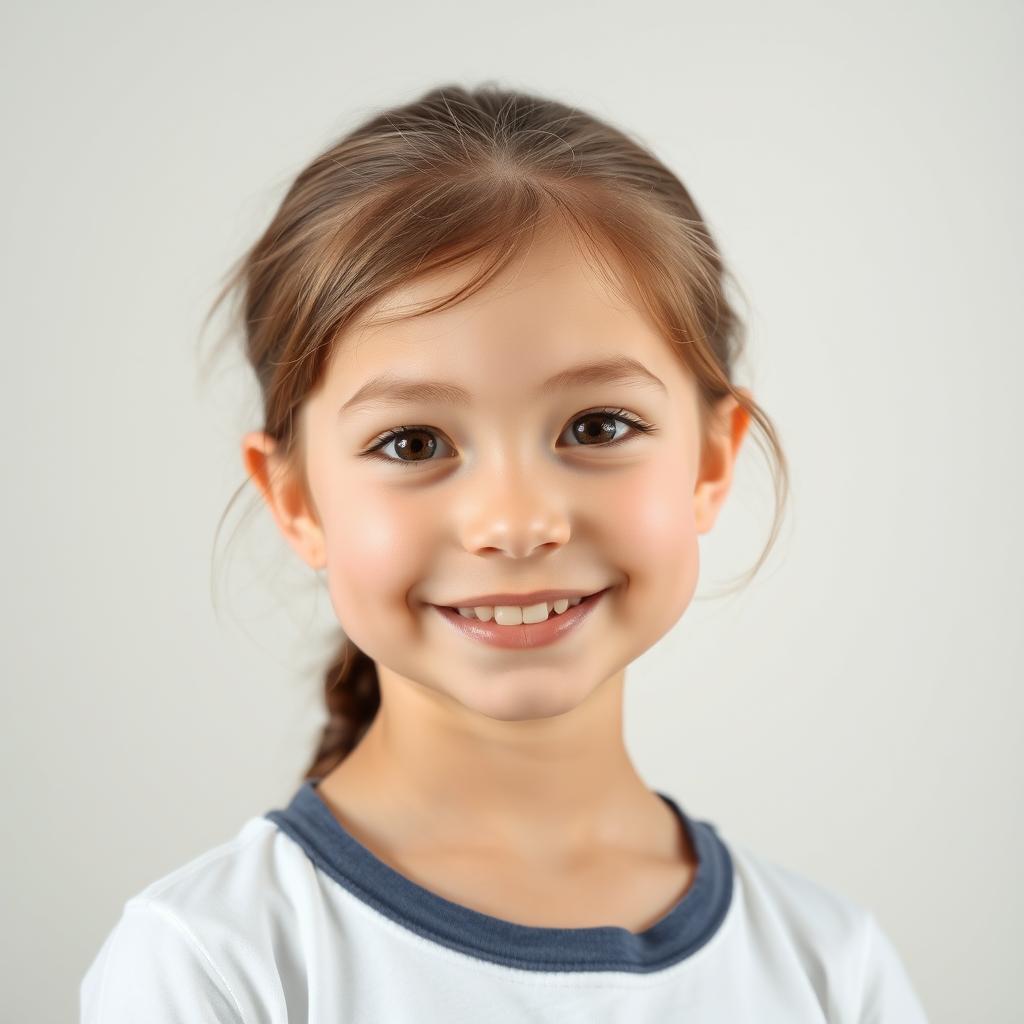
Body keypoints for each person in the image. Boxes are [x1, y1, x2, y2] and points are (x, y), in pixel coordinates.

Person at [80, 83, 930, 1022]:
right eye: (413, 443)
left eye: (598, 425)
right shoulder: (216, 964)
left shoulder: (829, 967)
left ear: (711, 461)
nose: (518, 522)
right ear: (296, 497)